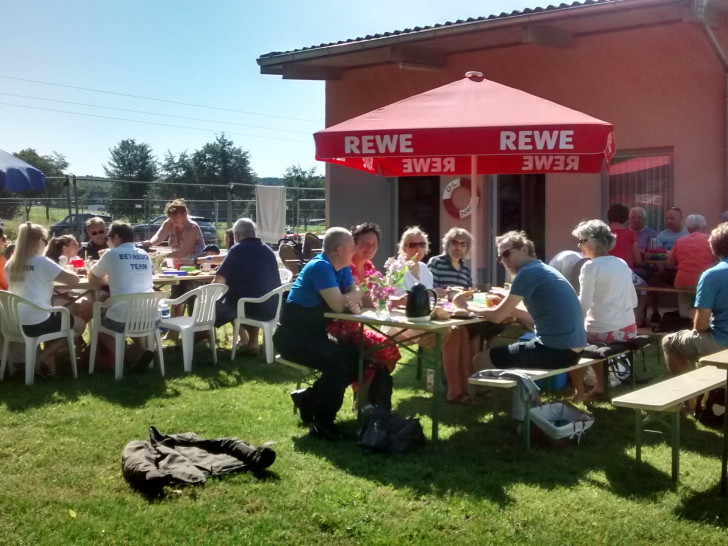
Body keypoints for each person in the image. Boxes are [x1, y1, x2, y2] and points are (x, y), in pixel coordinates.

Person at [458, 230, 587, 398]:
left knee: (480, 359)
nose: (504, 260)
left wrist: (466, 306)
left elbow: (497, 317)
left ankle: (477, 400)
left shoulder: (527, 273)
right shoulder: (542, 269)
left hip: (554, 352)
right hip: (574, 351)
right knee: (515, 349)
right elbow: (533, 319)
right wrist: (509, 309)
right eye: (500, 257)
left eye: (507, 254)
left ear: (524, 250)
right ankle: (524, 399)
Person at [273, 227, 362, 440]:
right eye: (351, 247)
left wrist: (351, 294)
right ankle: (322, 421)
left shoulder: (342, 268)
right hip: (292, 338)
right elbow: (340, 307)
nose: (355, 252)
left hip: (314, 335)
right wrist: (351, 296)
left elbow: (360, 292)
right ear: (339, 249)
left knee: (356, 355)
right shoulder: (320, 267)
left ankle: (309, 398)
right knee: (338, 360)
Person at [325, 222, 401, 407]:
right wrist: (378, 298)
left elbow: (380, 293)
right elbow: (367, 298)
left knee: (387, 348)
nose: (369, 248)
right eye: (364, 244)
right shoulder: (345, 267)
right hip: (339, 325)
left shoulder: (369, 268)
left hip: (358, 324)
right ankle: (363, 399)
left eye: (374, 245)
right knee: (378, 349)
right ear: (354, 243)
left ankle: (365, 397)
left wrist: (399, 299)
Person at [5, 222, 86, 377]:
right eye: (45, 240)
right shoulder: (42, 262)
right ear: (38, 241)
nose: (46, 244)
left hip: (13, 322)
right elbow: (73, 281)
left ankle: (48, 362)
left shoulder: (10, 264)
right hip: (36, 322)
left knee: (59, 316)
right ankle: (41, 358)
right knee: (79, 325)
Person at [573, 220, 638, 399]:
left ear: (592, 242)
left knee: (572, 339)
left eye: (581, 241)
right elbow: (633, 301)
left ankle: (588, 388)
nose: (579, 246)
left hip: (603, 331)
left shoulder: (590, 267)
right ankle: (607, 379)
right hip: (629, 329)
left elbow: (583, 306)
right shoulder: (621, 263)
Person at [89, 221, 157, 371]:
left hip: (124, 317)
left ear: (117, 237)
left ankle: (124, 361)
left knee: (99, 325)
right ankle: (141, 352)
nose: (107, 240)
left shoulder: (111, 254)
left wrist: (109, 278)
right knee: (129, 314)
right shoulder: (144, 254)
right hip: (149, 316)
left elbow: (92, 278)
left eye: (109, 237)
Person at [662, 222, 728, 377]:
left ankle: (689, 399)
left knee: (669, 343)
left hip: (722, 342)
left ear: (714, 248)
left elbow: (701, 325)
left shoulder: (712, 275)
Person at [213, 218, 280, 355]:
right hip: (271, 305)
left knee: (211, 304)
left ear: (236, 235)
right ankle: (252, 342)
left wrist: (205, 298)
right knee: (248, 293)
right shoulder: (267, 249)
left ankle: (199, 337)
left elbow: (218, 280)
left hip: (249, 307)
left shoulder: (237, 249)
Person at [143, 199, 204, 320]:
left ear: (185, 214)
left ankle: (181, 326)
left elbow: (183, 252)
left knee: (184, 295)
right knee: (175, 295)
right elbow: (158, 238)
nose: (173, 220)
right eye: (171, 217)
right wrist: (148, 243)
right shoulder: (169, 222)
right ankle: (173, 328)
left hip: (193, 266)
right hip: (177, 265)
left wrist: (160, 255)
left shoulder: (193, 228)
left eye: (176, 217)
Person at [666, 214, 715, 318]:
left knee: (684, 293)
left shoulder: (680, 241)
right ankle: (702, 318)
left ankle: (685, 315)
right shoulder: (711, 240)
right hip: (705, 281)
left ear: (688, 228)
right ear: (704, 227)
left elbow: (670, 263)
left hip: (683, 281)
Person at [607, 204, 641, 269]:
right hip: (626, 274)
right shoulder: (631, 234)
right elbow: (637, 261)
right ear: (626, 218)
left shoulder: (601, 235)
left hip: (606, 273)